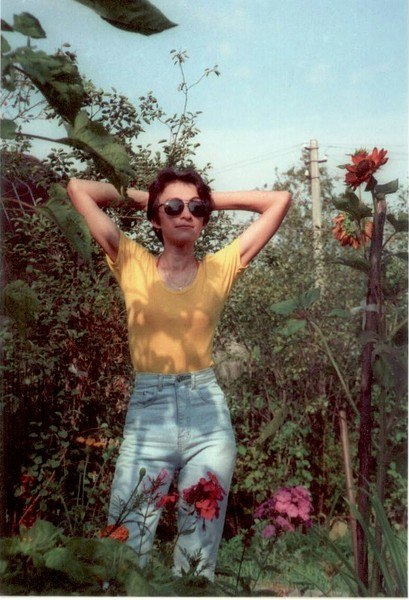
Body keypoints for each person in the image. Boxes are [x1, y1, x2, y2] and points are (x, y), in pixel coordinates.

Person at [67, 168, 291, 579]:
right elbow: (79, 189)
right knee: (122, 554)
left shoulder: (219, 268)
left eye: (196, 209)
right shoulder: (132, 261)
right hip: (148, 418)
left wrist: (204, 201)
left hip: (208, 419)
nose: (185, 214)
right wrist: (150, 198)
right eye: (173, 207)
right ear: (156, 218)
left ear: (205, 218)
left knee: (196, 564)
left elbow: (279, 200)